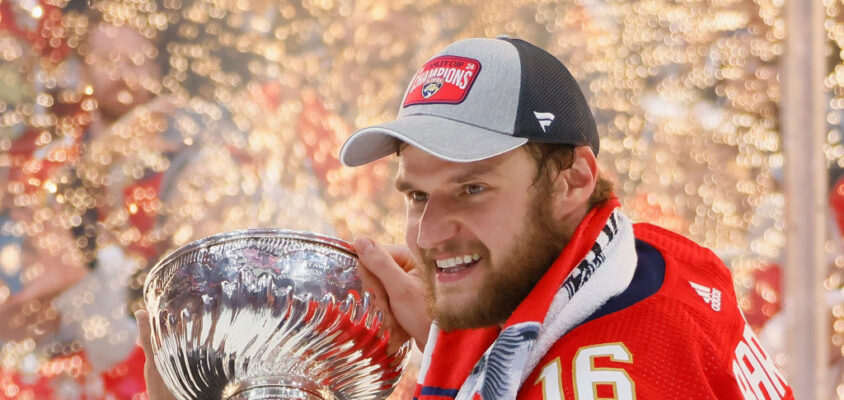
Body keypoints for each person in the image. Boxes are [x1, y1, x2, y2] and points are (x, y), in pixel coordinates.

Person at [138, 37, 795, 399]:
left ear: (573, 181)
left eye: (472, 188)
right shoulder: (644, 262)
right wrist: (445, 335)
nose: (427, 234)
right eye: (417, 195)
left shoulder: (607, 367)